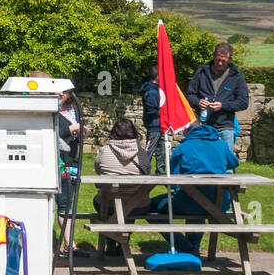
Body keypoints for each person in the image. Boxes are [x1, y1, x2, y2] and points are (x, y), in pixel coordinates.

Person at [147, 122, 239, 255]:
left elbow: (172, 179)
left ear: (185, 131)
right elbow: (234, 162)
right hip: (220, 203)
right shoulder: (221, 144)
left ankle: (186, 247)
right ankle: (192, 247)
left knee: (148, 206)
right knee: (200, 199)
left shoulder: (183, 148)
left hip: (189, 203)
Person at [30, 71, 81, 254]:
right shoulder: (34, 107)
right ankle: (43, 246)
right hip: (44, 163)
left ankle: (62, 245)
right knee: (43, 205)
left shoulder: (52, 108)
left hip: (63, 161)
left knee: (61, 204)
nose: (54, 92)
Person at [93, 117, 152, 256]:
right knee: (131, 204)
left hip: (108, 202)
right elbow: (147, 172)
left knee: (106, 203)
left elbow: (98, 169)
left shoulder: (104, 151)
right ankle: (121, 243)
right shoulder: (142, 153)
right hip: (137, 205)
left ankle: (111, 243)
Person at [186, 42, 249, 154]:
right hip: (203, 126)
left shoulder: (237, 77)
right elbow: (190, 95)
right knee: (203, 160)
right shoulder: (201, 73)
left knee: (227, 164)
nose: (220, 63)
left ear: (230, 59)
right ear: (214, 56)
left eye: (223, 61)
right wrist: (198, 102)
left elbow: (243, 102)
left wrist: (223, 106)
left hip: (225, 127)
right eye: (217, 59)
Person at [139, 65, 163, 174]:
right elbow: (152, 110)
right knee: (150, 148)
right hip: (154, 125)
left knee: (161, 150)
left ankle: (160, 170)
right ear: (157, 77)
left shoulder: (157, 90)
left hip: (161, 125)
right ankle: (144, 169)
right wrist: (163, 113)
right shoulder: (151, 92)